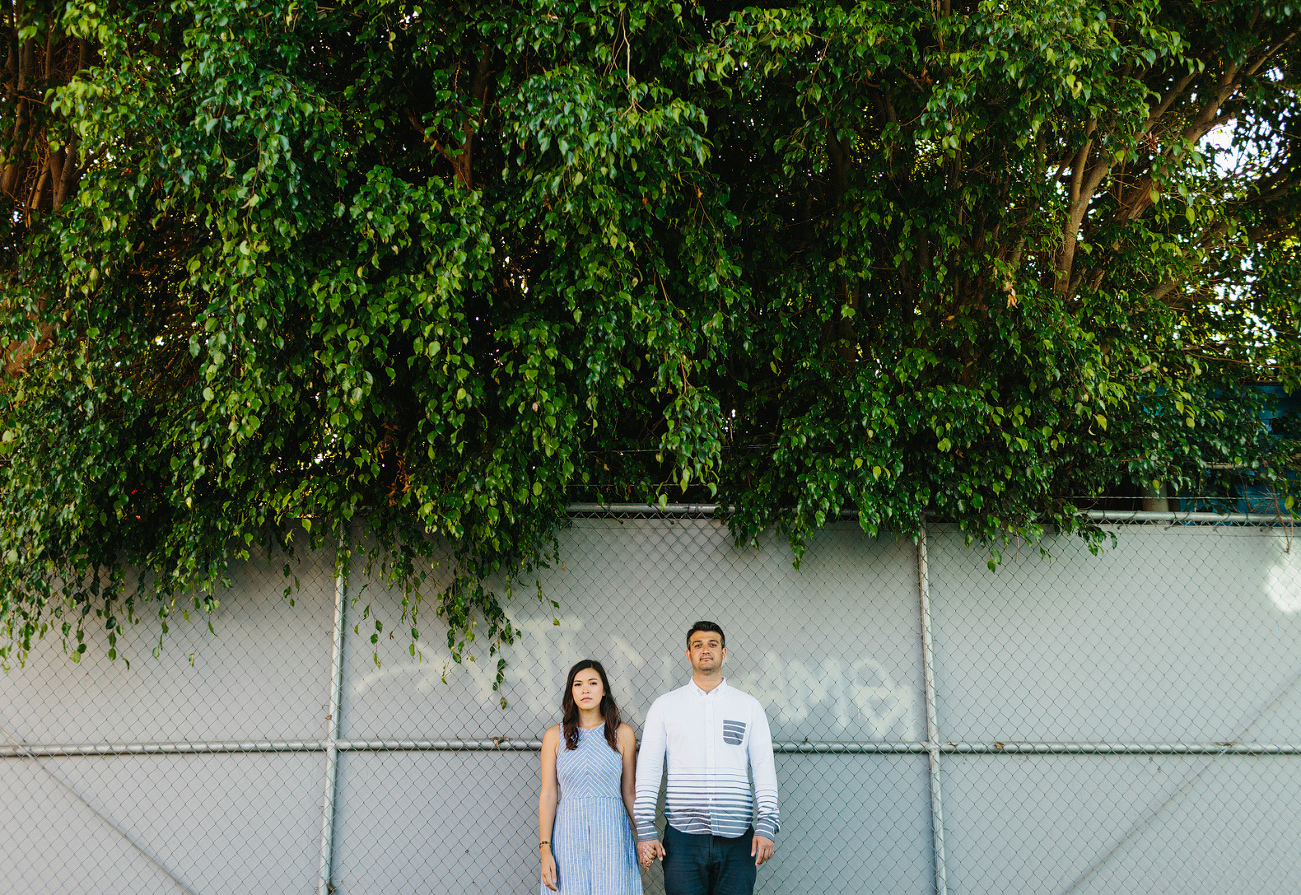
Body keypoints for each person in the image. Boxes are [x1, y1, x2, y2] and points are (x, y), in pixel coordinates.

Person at [633, 622, 779, 895]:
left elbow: (763, 769)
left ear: (724, 652)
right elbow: (649, 770)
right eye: (697, 645)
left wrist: (767, 824)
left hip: (738, 840)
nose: (705, 649)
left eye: (712, 644)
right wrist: (646, 829)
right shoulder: (666, 706)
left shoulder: (748, 706)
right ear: (688, 655)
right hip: (683, 839)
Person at [538, 659, 643, 895]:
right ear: (571, 692)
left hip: (612, 832)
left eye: (593, 683)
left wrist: (645, 836)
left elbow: (629, 792)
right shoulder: (554, 736)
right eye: (578, 684)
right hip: (568, 834)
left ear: (604, 690)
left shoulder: (622, 734)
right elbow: (548, 794)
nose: (585, 690)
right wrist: (545, 850)